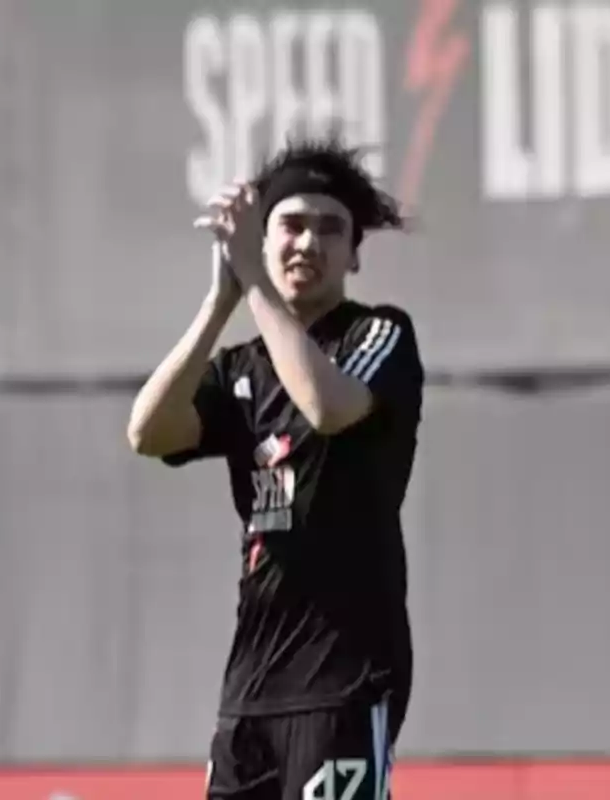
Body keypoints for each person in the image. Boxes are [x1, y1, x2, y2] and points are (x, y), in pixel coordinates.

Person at [128, 139, 423, 800]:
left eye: (330, 229)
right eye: (290, 225)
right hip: (251, 690)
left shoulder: (378, 337)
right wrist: (220, 302)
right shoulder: (239, 369)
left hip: (343, 682)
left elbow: (323, 406)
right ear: (263, 240)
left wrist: (255, 283)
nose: (308, 243)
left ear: (354, 255)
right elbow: (147, 431)